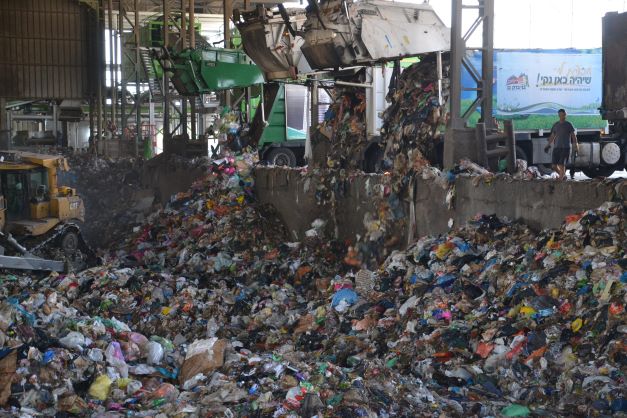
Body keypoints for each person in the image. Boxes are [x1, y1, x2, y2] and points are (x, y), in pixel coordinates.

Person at [544, 109, 579, 180]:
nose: (562, 116)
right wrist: (547, 145)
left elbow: (573, 136)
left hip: (565, 147)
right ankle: (563, 175)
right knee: (553, 166)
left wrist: (575, 146)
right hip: (557, 147)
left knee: (561, 164)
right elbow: (552, 136)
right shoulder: (556, 125)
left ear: (565, 115)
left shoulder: (568, 124)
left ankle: (561, 179)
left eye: (563, 115)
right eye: (560, 115)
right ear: (559, 115)